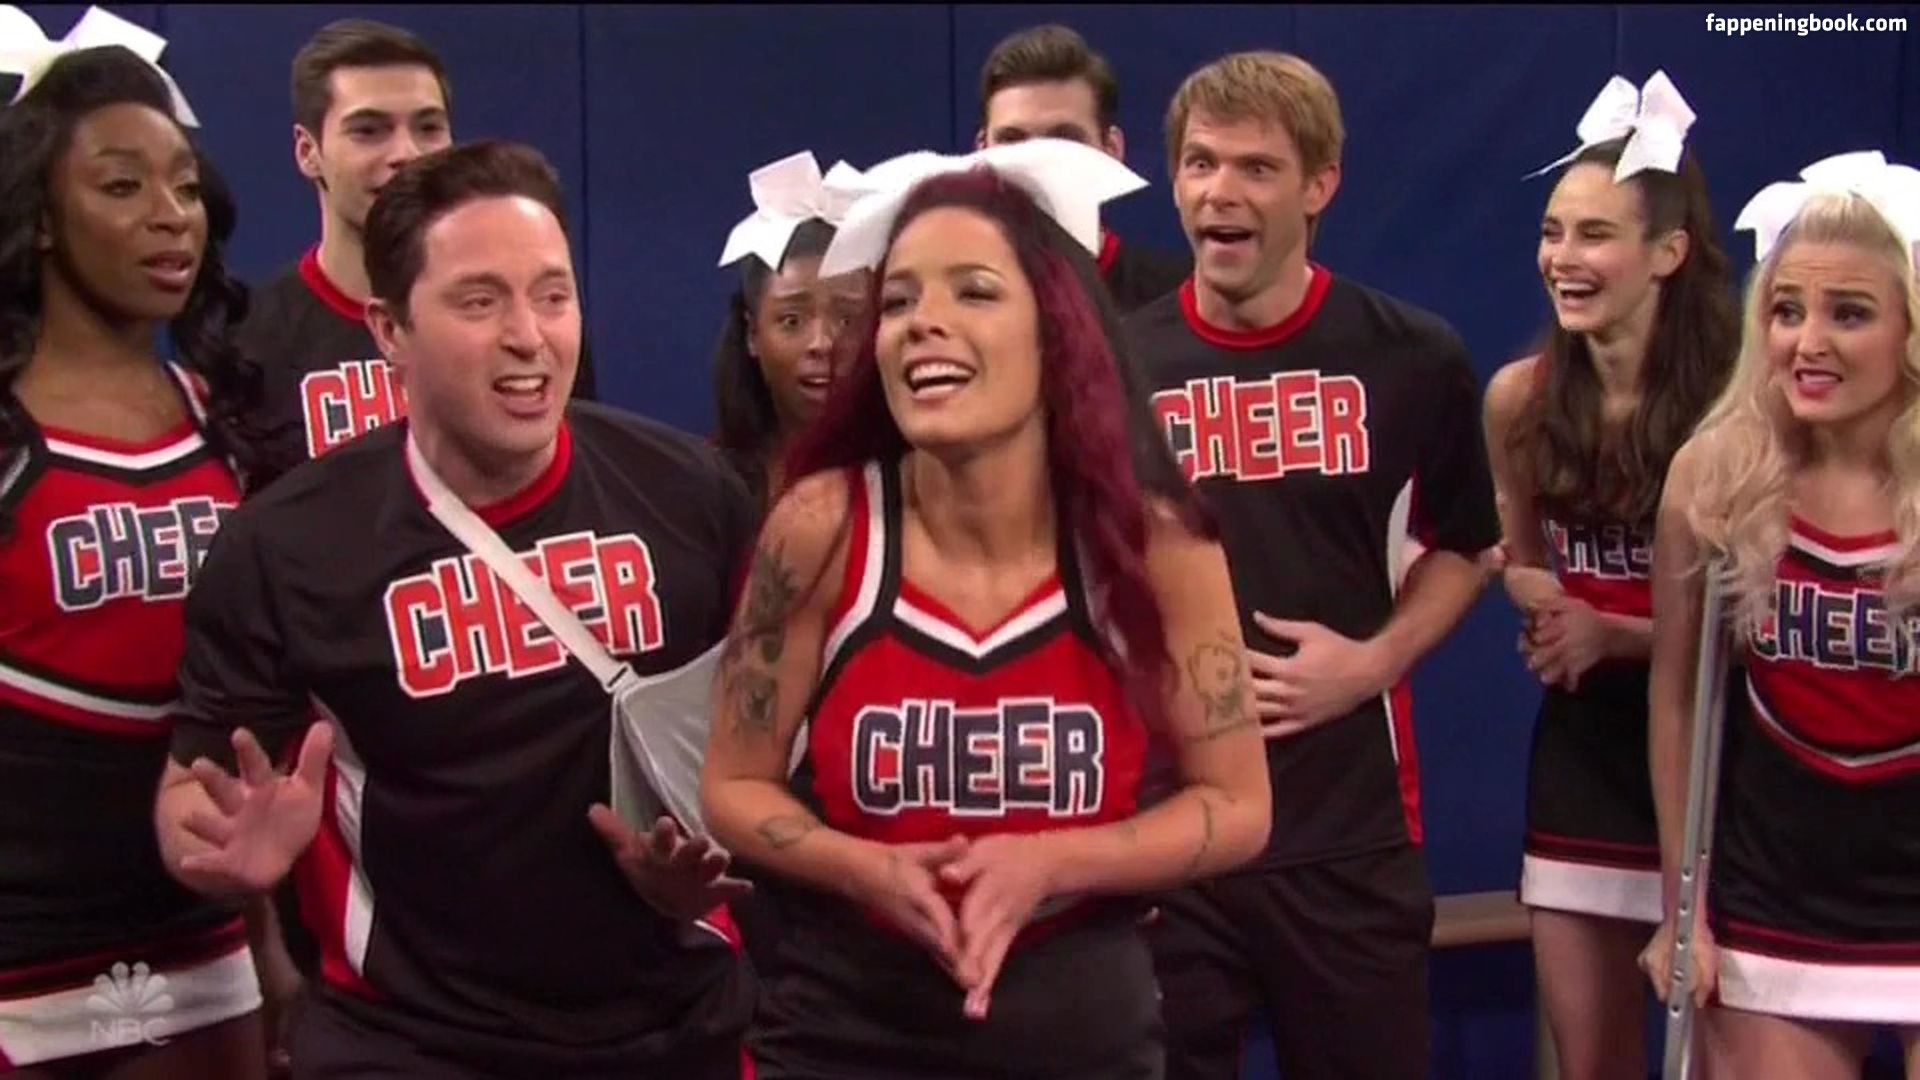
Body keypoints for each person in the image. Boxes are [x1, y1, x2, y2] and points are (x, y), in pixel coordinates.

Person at [153, 140, 757, 1078]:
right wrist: (216, 850)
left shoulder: (692, 493)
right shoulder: (286, 545)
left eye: (552, 295)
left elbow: (769, 748)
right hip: (410, 1041)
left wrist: (710, 861)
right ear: (389, 329)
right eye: (480, 302)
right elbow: (190, 791)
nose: (529, 336)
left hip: (675, 1026)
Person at [700, 140, 1272, 1079]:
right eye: (897, 302)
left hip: (1082, 1033)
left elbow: (1239, 805)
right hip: (844, 1028)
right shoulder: (821, 526)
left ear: (1057, 332)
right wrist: (868, 868)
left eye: (973, 291)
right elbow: (732, 784)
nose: (923, 323)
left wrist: (1053, 861)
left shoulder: (1158, 544)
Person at [1126, 52, 1501, 1080]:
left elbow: (1467, 547)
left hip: (1348, 832)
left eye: (1256, 168)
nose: (1220, 192)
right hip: (1173, 832)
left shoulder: (1411, 355)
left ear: (1319, 185)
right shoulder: (1117, 364)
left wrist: (1374, 663)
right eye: (1201, 163)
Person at [0, 40, 267, 1077]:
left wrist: (277, 949)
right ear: (40, 216)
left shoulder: (223, 417)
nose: (171, 216)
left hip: (205, 939)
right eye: (123, 187)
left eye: (186, 188)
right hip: (22, 955)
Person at [1642, 150, 1920, 1079]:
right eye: (1787, 310)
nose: (1808, 342)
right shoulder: (1717, 475)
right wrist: (1683, 910)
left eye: (1851, 313)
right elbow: (1677, 698)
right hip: (1775, 905)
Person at [1482, 72, 1738, 1080]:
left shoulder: (1735, 409)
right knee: (1590, 1061)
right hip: (1584, 758)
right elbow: (1521, 555)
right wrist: (1533, 595)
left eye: (1594, 235)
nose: (1563, 257)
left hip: (1720, 765)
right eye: (1553, 233)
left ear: (1669, 252)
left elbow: (1762, 628)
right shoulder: (1519, 400)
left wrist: (1616, 633)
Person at [234, 18, 596, 487]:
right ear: (308, 151)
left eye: (428, 128)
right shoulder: (252, 339)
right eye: (369, 130)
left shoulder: (532, 322)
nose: (406, 153)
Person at [976, 24, 1189, 312]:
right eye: (1012, 140)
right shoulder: (940, 304)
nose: (1036, 163)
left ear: (1111, 150)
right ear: (981, 153)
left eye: (1064, 139)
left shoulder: (1177, 298)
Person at [712, 150, 869, 510]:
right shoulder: (708, 482)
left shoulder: (918, 476)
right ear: (752, 333)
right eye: (792, 321)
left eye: (847, 320)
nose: (821, 343)